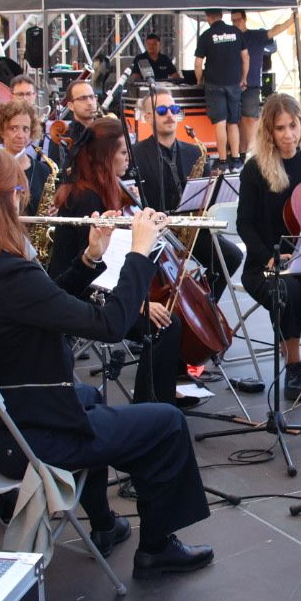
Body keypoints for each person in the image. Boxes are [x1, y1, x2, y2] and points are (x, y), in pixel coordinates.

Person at [0, 146, 213, 576]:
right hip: (30, 438)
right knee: (166, 424)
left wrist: (90, 257)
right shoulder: (10, 273)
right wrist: (139, 254)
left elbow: (49, 305)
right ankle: (157, 547)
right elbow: (110, 325)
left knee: (88, 397)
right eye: (18, 190)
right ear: (8, 197)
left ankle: (104, 524)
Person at [51, 119, 193, 408]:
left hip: (96, 288)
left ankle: (161, 396)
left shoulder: (101, 189)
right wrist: (139, 303)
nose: (128, 159)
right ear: (106, 156)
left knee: (167, 316)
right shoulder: (85, 198)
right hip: (78, 296)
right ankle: (150, 407)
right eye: (122, 153)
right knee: (166, 324)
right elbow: (87, 273)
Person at [235, 93, 301, 403]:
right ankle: (294, 366)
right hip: (265, 265)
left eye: (294, 126)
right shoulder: (255, 169)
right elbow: (245, 224)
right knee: (288, 290)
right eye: (280, 128)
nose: (289, 135)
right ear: (268, 132)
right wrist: (269, 256)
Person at [129, 85, 243, 284]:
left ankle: (202, 301)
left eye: (174, 110)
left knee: (232, 256)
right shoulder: (135, 154)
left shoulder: (195, 151)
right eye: (162, 111)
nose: (170, 116)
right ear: (147, 117)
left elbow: (209, 197)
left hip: (191, 230)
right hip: (156, 232)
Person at [230, 10, 291, 156]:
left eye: (238, 19)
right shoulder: (230, 37)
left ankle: (251, 153)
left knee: (250, 118)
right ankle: (239, 153)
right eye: (233, 21)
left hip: (252, 84)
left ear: (245, 19)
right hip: (232, 84)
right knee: (234, 121)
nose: (236, 23)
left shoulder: (256, 35)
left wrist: (292, 20)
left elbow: (275, 30)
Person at [193, 9, 245, 170]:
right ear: (222, 15)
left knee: (220, 123)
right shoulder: (236, 32)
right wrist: (243, 78)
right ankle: (235, 159)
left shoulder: (206, 36)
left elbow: (198, 63)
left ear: (208, 18)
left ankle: (222, 161)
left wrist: (198, 79)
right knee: (233, 122)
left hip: (214, 84)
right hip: (234, 83)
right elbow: (246, 57)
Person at [0, 99, 39, 211]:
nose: (21, 135)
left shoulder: (43, 170)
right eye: (14, 128)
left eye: (26, 129)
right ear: (1, 130)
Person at [45, 78, 98, 172]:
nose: (90, 103)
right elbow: (57, 177)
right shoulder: (61, 138)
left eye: (92, 97)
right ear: (70, 106)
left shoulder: (105, 132)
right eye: (83, 98)